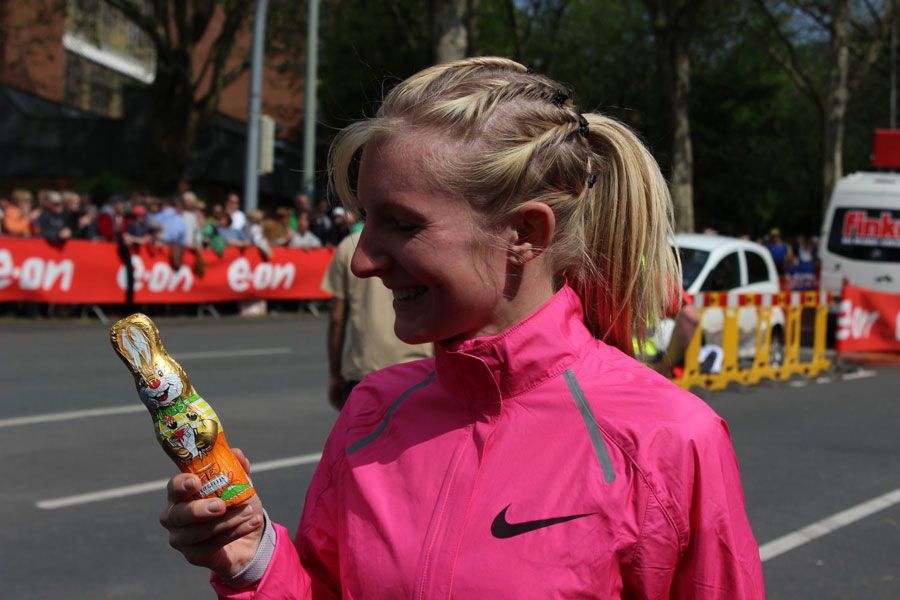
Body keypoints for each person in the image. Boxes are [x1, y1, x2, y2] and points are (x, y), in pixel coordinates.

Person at [160, 57, 764, 598]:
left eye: (400, 223)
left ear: (524, 235)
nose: (364, 259)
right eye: (366, 218)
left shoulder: (668, 438)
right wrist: (252, 559)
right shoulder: (373, 410)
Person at [321, 213, 432, 409]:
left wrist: (335, 374)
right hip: (418, 370)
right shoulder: (419, 239)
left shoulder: (349, 247)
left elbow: (337, 318)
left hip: (364, 371)